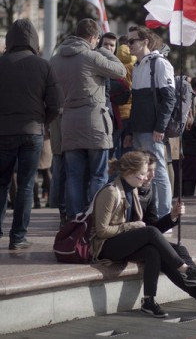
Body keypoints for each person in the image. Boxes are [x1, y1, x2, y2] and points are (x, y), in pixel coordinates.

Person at [90, 151, 196, 318]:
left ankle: (157, 300)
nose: (145, 177)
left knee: (157, 251)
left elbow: (150, 230)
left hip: (122, 241)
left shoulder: (133, 190)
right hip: (105, 246)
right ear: (129, 172)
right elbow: (101, 231)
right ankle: (188, 271)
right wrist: (132, 225)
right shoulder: (111, 192)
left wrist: (172, 217)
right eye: (142, 173)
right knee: (150, 233)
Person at [51, 19, 126, 220]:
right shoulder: (91, 56)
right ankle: (95, 218)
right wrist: (103, 50)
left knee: (73, 176)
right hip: (94, 124)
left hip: (69, 122)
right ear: (93, 38)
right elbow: (121, 71)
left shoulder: (56, 59)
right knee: (98, 174)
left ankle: (74, 220)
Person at [0, 18, 61, 249]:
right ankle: (18, 238)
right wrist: (43, 122)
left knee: (1, 183)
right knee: (26, 185)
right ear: (34, 40)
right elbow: (56, 105)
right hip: (32, 132)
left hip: (3, 133)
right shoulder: (43, 65)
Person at [138, 153, 196, 309]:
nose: (152, 175)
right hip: (127, 241)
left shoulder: (148, 190)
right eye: (148, 171)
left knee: (178, 250)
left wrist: (172, 216)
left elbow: (154, 227)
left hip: (145, 238)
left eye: (154, 170)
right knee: (162, 254)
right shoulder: (124, 191)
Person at [124, 25, 175, 218]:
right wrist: (129, 131)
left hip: (152, 130)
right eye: (127, 41)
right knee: (143, 173)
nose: (128, 45)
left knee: (158, 172)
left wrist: (160, 127)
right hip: (138, 130)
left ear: (145, 41)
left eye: (132, 41)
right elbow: (136, 104)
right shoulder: (138, 67)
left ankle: (165, 216)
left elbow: (169, 98)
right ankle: (149, 214)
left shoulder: (159, 64)